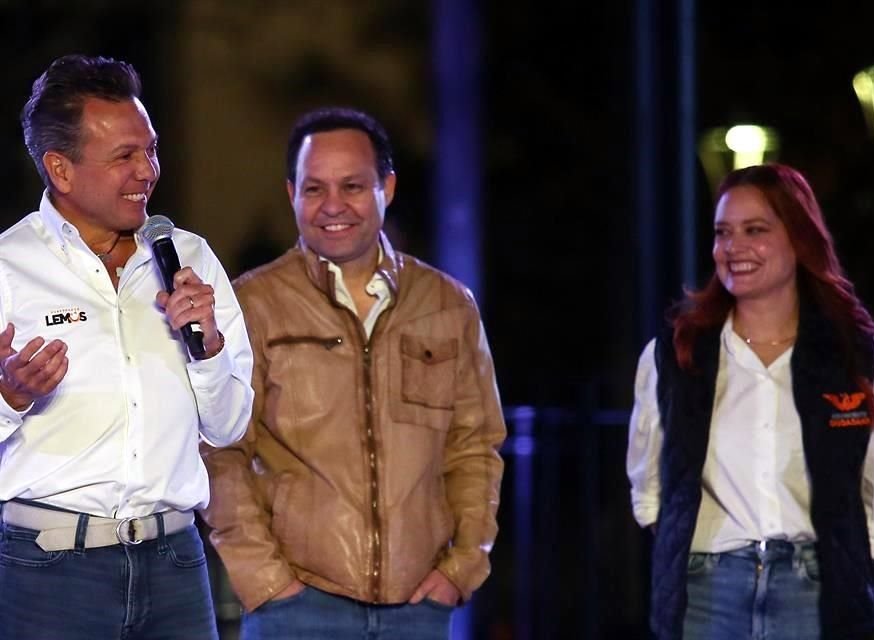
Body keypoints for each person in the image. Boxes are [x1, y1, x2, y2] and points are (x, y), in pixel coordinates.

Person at [200, 106, 507, 639]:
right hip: (295, 608)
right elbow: (220, 451)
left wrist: (460, 571)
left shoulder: (447, 304)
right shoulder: (252, 303)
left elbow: (475, 447)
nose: (333, 206)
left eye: (353, 186)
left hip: (419, 607)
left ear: (386, 186)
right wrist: (266, 582)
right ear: (290, 192)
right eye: (314, 189)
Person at [0, 54, 254, 639]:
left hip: (176, 564)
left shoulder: (188, 257)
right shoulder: (11, 268)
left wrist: (209, 347)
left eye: (152, 150)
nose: (148, 171)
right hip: (50, 573)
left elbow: (229, 426)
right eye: (125, 157)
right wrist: (10, 397)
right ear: (60, 170)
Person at [626, 163, 874, 639]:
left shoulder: (852, 354)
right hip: (707, 594)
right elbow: (648, 480)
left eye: (754, 230)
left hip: (815, 591)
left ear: (797, 238)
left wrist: (860, 557)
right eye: (723, 233)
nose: (733, 247)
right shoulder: (676, 352)